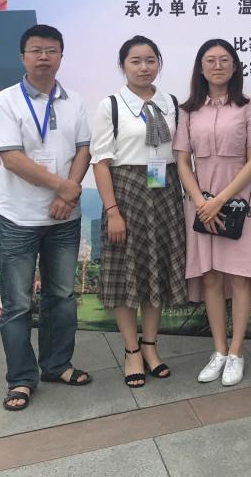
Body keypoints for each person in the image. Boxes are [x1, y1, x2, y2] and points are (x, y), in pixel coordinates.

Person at [0, 24, 92, 412]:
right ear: (23, 57)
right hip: (18, 217)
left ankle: (57, 365)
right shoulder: (4, 101)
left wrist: (68, 193)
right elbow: (11, 158)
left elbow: (84, 149)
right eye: (36, 50)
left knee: (61, 297)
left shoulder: (75, 101)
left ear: (61, 56)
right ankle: (21, 378)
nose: (44, 57)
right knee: (17, 304)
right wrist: (64, 187)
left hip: (64, 220)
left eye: (51, 50)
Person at [90, 35, 188, 388]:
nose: (144, 67)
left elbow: (181, 154)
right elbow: (100, 162)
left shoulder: (171, 103)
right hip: (127, 193)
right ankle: (131, 350)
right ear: (123, 66)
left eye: (150, 60)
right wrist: (112, 211)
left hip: (164, 193)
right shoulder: (112, 105)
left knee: (155, 271)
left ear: (158, 63)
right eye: (135, 61)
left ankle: (150, 347)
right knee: (125, 273)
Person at [175, 39, 251, 387]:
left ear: (235, 67)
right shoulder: (188, 110)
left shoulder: (249, 106)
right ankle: (218, 350)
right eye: (210, 60)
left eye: (224, 60)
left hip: (240, 201)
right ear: (200, 69)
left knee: (241, 277)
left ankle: (236, 352)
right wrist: (201, 201)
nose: (217, 66)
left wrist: (219, 200)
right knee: (212, 277)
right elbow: (182, 162)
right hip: (200, 204)